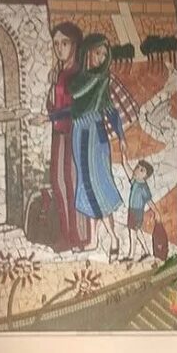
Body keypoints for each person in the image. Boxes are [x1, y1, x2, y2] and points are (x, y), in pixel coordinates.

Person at [67, 34, 127, 262]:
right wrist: (48, 117)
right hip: (79, 134)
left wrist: (121, 135)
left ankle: (113, 238)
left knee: (99, 186)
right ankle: (93, 240)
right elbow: (72, 110)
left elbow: (110, 110)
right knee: (85, 185)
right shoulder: (77, 81)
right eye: (97, 52)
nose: (101, 58)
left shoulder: (101, 80)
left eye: (104, 55)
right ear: (88, 52)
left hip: (95, 136)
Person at [38, 21, 90, 252]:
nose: (59, 48)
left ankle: (79, 236)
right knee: (58, 181)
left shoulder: (78, 74)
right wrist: (52, 88)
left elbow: (75, 108)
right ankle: (67, 234)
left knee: (73, 182)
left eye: (64, 43)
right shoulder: (60, 74)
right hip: (59, 132)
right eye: (56, 44)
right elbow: (53, 104)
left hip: (74, 133)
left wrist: (50, 117)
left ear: (75, 45)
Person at [123, 159, 158, 261]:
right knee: (136, 232)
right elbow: (127, 168)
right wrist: (124, 159)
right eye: (137, 167)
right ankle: (146, 251)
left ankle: (131, 256)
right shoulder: (135, 181)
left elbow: (149, 201)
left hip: (137, 212)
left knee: (133, 233)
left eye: (142, 170)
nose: (138, 170)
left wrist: (156, 211)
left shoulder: (144, 187)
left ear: (146, 176)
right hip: (132, 211)